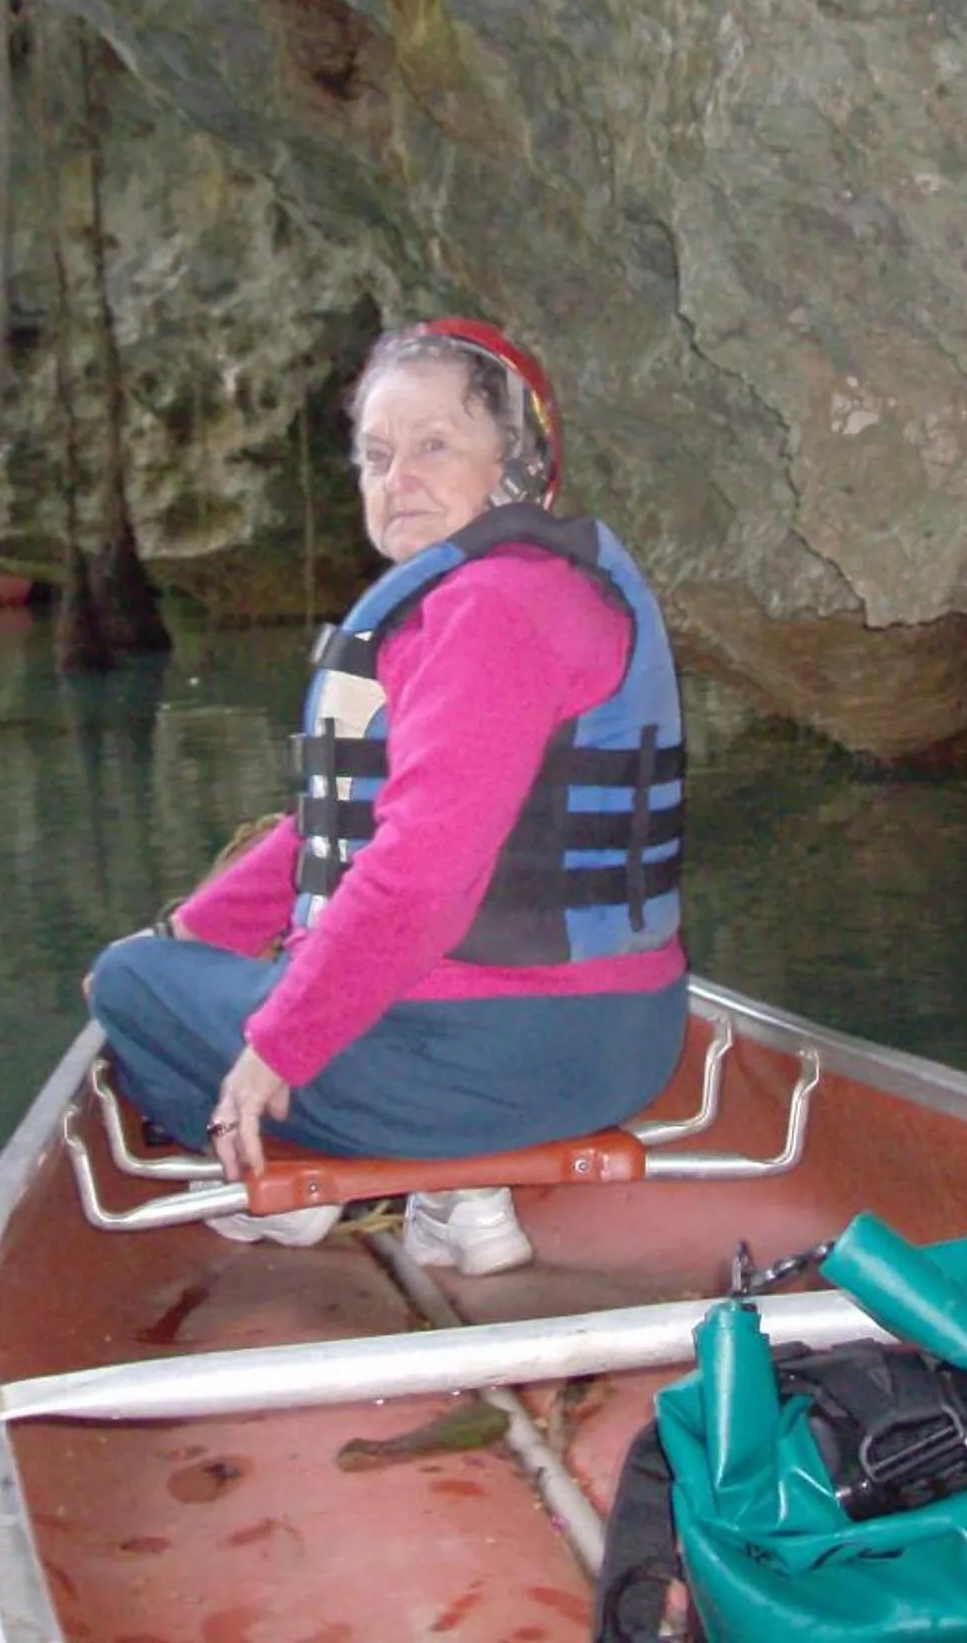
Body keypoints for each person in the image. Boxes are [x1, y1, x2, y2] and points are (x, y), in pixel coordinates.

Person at [87, 319, 689, 1275]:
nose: (395, 477)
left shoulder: (488, 610)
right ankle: (457, 1198)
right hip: (620, 1045)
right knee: (183, 964)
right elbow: (336, 829)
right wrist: (202, 931)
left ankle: (293, 1182)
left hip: (484, 1063)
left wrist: (273, 1049)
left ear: (517, 468)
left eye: (433, 446)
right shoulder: (538, 593)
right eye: (376, 455)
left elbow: (419, 874)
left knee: (127, 984)